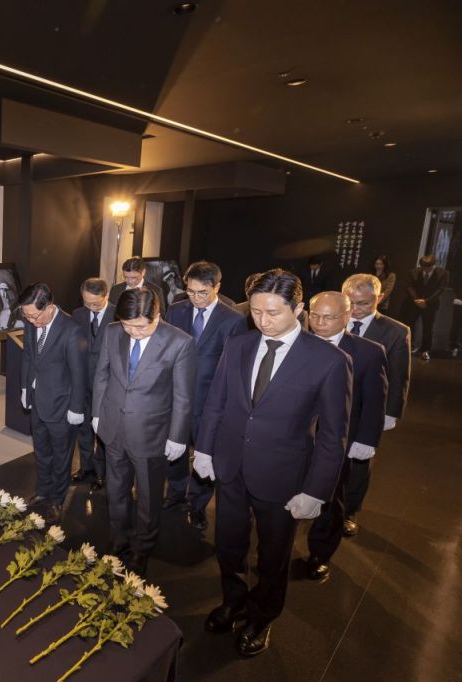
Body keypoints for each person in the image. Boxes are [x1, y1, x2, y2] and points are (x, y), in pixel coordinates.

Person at [193, 269, 350, 657]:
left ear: (298, 309)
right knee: (228, 544)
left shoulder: (329, 360)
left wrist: (315, 492)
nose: (263, 321)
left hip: (283, 474)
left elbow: (333, 436)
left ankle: (262, 615)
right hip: (231, 465)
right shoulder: (239, 344)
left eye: (273, 313)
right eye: (256, 312)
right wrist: (205, 449)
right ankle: (233, 601)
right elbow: (217, 401)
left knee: (274, 555)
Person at [91, 289, 195, 575]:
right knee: (116, 489)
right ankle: (118, 538)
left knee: (149, 496)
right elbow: (102, 374)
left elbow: (183, 396)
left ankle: (143, 547)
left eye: (140, 326)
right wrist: (97, 414)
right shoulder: (113, 332)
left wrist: (177, 436)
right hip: (113, 426)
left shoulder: (179, 342)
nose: (133, 332)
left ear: (156, 316)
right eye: (128, 325)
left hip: (153, 433)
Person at [304, 292, 388, 581]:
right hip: (297, 437)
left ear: (347, 317)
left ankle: (320, 554)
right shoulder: (298, 343)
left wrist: (366, 440)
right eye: (315, 316)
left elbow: (374, 401)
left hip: (338, 440)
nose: (319, 323)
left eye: (328, 318)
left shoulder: (369, 352)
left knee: (330, 498)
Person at [162, 261, 245, 530]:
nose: (196, 298)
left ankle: (197, 505)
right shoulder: (175, 310)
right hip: (176, 398)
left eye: (202, 292)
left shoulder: (233, 320)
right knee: (175, 449)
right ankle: (175, 493)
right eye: (191, 291)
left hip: (210, 402)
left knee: (205, 453)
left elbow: (233, 368)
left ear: (217, 287)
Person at [340, 274, 411, 536]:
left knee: (359, 462)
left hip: (366, 409)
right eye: (351, 302)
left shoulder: (396, 331)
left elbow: (399, 375)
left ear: (379, 298)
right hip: (332, 404)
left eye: (364, 303)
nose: (356, 309)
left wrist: (390, 413)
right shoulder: (331, 320)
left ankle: (349, 511)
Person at [20, 283, 88, 523]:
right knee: (41, 451)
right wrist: (25, 388)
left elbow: (79, 374)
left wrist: (76, 408)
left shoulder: (71, 331)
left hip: (61, 405)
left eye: (34, 316)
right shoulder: (32, 323)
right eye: (26, 316)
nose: (31, 321)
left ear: (49, 307)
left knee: (61, 456)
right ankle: (42, 490)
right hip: (37, 401)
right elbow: (28, 357)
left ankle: (57, 500)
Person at [70, 278, 115, 490]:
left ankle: (102, 472)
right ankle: (86, 468)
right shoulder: (78, 314)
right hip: (82, 382)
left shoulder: (118, 314)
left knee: (103, 431)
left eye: (95, 303)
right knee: (84, 429)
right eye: (86, 302)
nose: (91, 307)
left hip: (108, 384)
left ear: (106, 296)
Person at [401, 255, 448, 360]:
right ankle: (409, 347)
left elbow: (441, 289)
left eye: (429, 267)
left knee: (428, 328)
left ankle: (425, 350)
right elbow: (408, 286)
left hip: (431, 304)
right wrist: (416, 300)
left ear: (434, 265)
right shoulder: (413, 272)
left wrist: (426, 301)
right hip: (414, 303)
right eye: (424, 267)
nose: (426, 270)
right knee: (409, 325)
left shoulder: (442, 273)